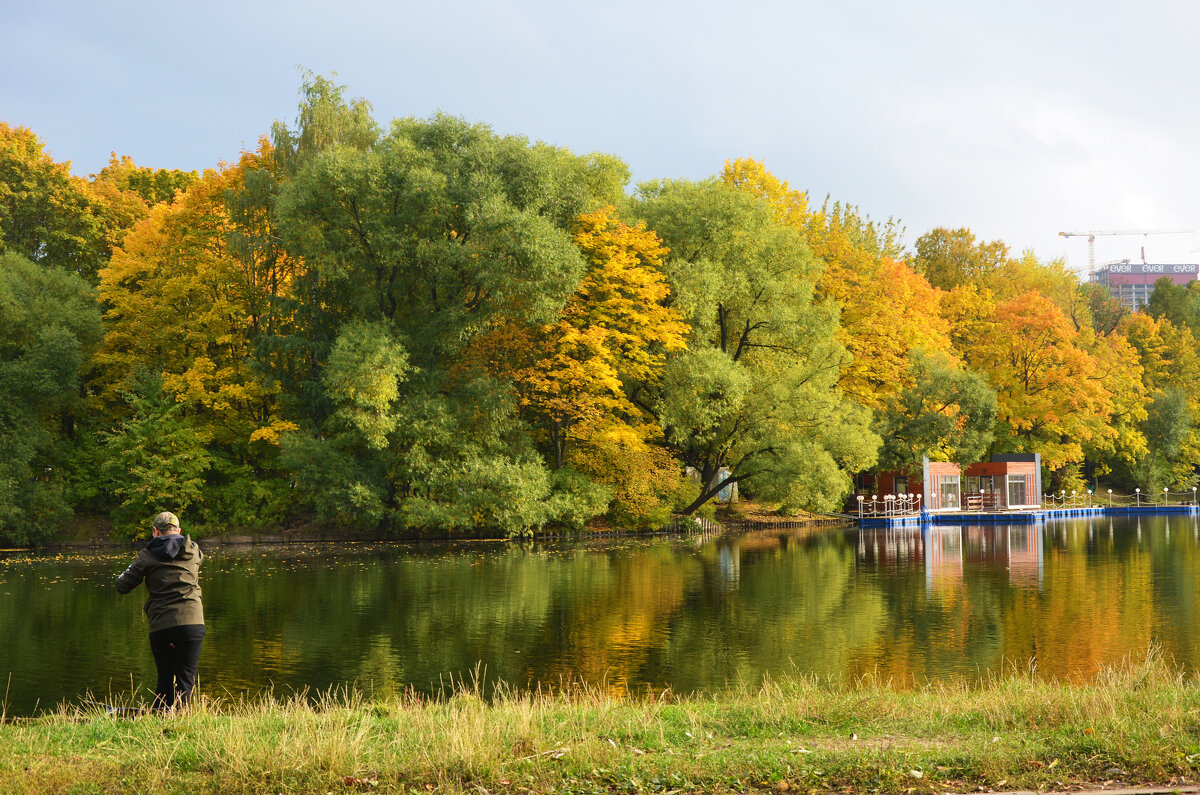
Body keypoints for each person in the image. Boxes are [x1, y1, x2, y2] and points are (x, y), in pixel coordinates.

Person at [115, 511, 205, 711]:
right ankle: (180, 720)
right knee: (185, 679)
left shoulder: (146, 555)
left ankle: (162, 718)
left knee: (165, 679)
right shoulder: (194, 550)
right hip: (193, 623)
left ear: (155, 531)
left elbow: (122, 585)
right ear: (179, 530)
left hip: (162, 626)